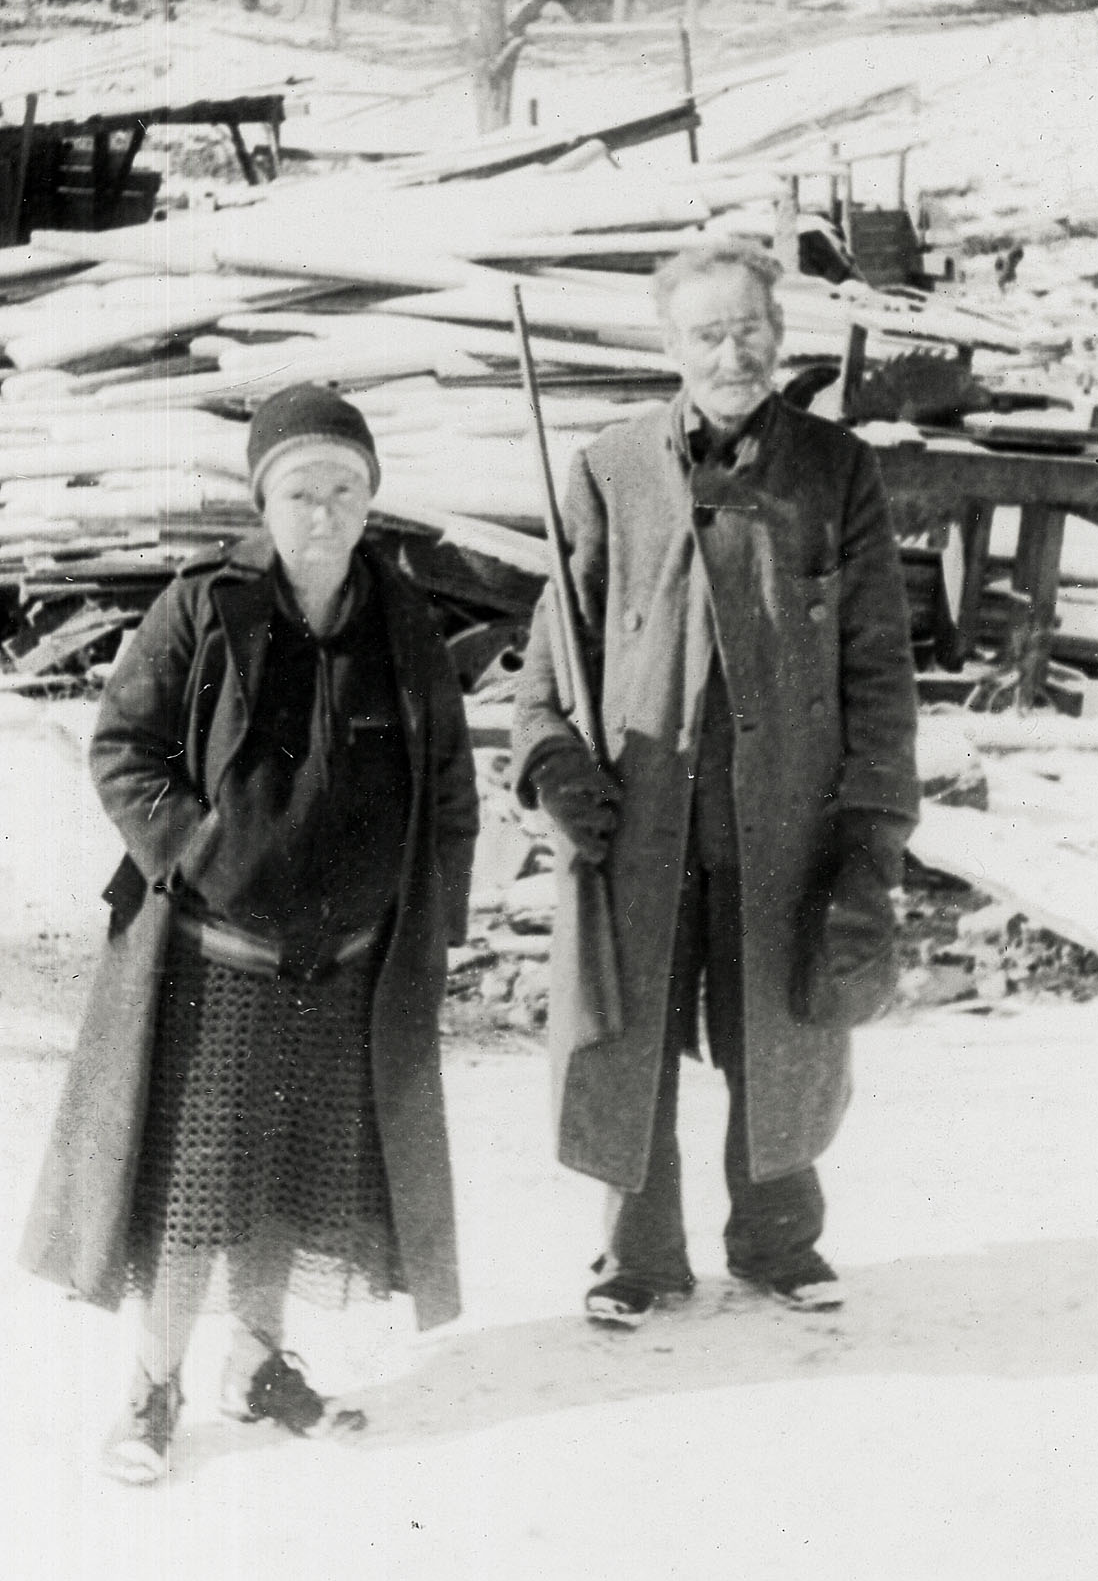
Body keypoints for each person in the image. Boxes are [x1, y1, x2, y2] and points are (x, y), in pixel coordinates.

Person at [20, 384, 479, 1481]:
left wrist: (430, 919)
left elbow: (450, 786)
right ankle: (154, 1382)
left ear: (371, 501)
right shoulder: (205, 606)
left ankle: (259, 1362)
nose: (324, 511)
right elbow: (122, 748)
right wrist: (198, 850)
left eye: (346, 489)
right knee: (198, 1190)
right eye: (301, 490)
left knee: (290, 1182)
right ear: (262, 502)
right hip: (219, 959)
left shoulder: (403, 622)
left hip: (345, 963)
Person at [512, 239, 919, 1327]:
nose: (732, 353)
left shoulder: (837, 471)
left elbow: (880, 671)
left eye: (749, 330)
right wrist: (554, 764)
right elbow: (549, 664)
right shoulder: (610, 468)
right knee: (631, 1033)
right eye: (708, 334)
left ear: (779, 337)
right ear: (671, 346)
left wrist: (871, 841)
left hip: (784, 815)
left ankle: (780, 1241)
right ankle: (637, 1258)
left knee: (777, 1028)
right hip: (641, 818)